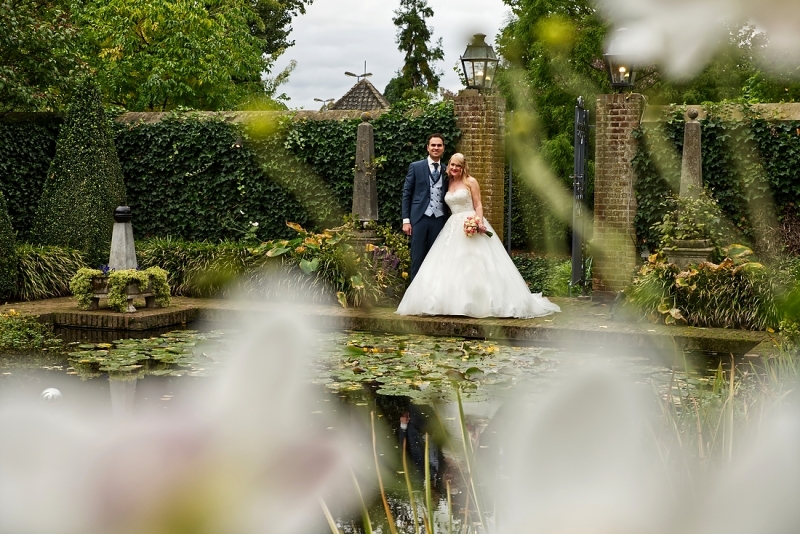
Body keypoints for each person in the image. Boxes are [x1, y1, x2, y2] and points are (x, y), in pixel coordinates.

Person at [397, 153, 561, 318]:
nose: (454, 168)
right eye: (452, 165)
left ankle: (479, 303)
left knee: (475, 264)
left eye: (458, 166)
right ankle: (448, 303)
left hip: (470, 221)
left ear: (463, 167)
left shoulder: (471, 182)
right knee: (449, 264)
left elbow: (478, 204)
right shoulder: (448, 182)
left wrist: (478, 222)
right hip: (452, 226)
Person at [402, 134, 449, 280]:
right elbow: (406, 194)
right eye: (433, 145)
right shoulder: (416, 167)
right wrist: (406, 220)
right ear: (427, 148)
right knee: (417, 258)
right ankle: (414, 298)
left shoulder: (448, 170)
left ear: (443, 148)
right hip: (419, 218)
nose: (436, 148)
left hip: (439, 219)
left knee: (436, 259)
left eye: (439, 145)